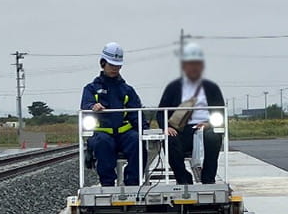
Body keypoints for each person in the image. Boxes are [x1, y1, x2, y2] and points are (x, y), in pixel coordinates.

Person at [157, 42, 225, 185]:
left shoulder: (212, 88)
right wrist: (166, 127)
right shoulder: (173, 87)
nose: (193, 67)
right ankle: (183, 179)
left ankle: (208, 178)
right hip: (181, 130)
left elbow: (221, 113)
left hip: (205, 128)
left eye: (196, 64)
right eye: (190, 64)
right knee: (169, 140)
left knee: (213, 137)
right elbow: (161, 112)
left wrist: (209, 124)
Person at [80, 42, 143, 187]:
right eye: (111, 65)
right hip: (102, 133)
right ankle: (107, 184)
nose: (115, 69)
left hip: (124, 133)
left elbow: (136, 113)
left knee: (136, 141)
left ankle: (133, 183)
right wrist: (92, 107)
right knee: (103, 143)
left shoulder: (127, 90)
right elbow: (85, 106)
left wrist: (144, 130)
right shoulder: (91, 89)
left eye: (118, 65)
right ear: (102, 63)